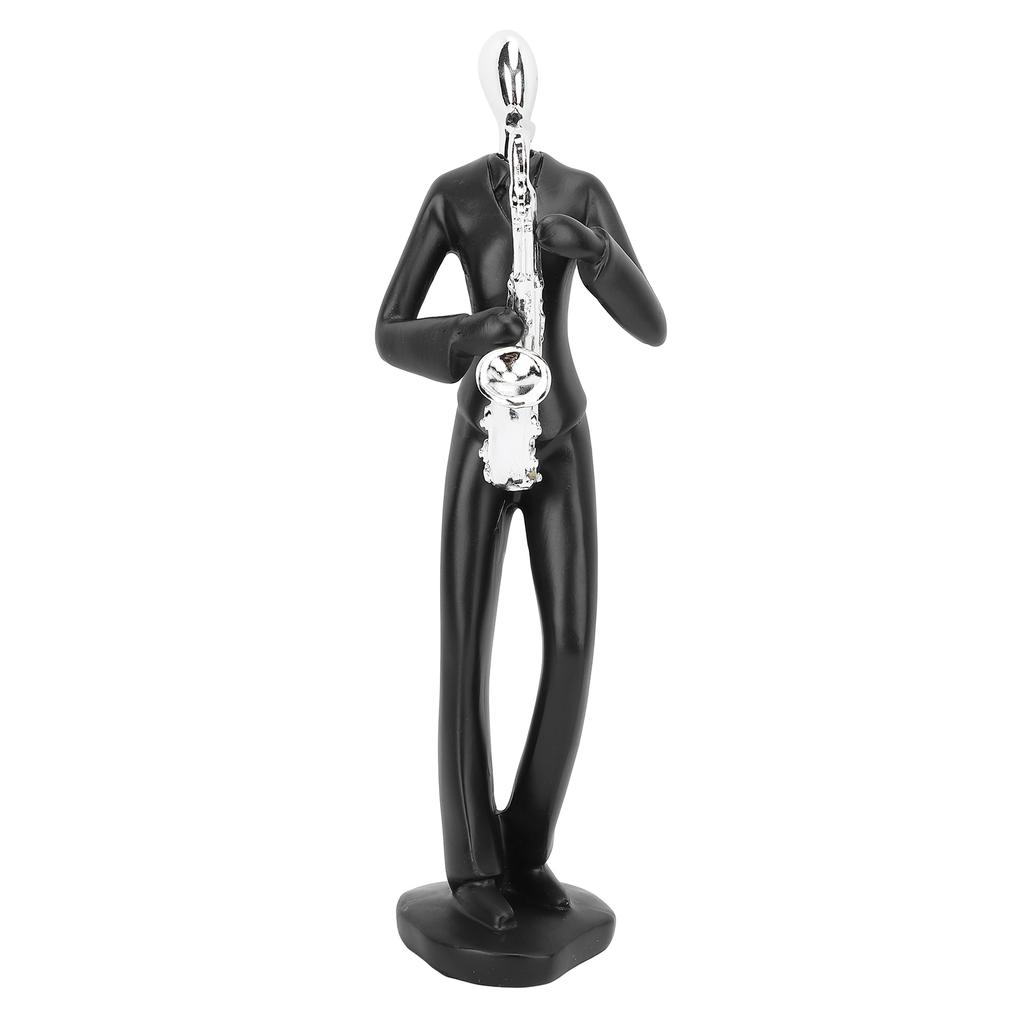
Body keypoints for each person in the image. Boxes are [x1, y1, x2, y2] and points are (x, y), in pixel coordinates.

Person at [376, 148, 666, 931]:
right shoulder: (452, 196)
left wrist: (595, 254)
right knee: (466, 645)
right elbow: (388, 332)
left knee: (572, 642)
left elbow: (653, 327)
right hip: (484, 431)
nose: (514, 97)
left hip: (559, 429)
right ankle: (472, 864)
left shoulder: (580, 190)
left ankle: (526, 847)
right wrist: (472, 334)